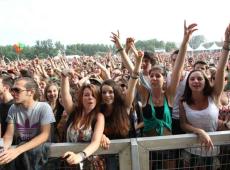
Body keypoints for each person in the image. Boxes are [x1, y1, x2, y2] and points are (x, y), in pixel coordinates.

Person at [179, 23, 230, 169]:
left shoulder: (214, 96)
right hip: (191, 151)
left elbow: (220, 70)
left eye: (200, 78)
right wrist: (199, 131)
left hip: (212, 150)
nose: (196, 81)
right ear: (188, 83)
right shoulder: (184, 101)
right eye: (192, 79)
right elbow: (183, 124)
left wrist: (226, 43)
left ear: (206, 81)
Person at [0, 77, 55, 170]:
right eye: (12, 90)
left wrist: (17, 151)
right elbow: (8, 136)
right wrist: (2, 149)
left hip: (42, 161)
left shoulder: (44, 107)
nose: (13, 93)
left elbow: (44, 135)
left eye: (17, 90)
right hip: (23, 159)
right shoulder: (13, 108)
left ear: (31, 92)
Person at [60, 70, 105, 168]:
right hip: (70, 162)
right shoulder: (74, 112)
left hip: (90, 164)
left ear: (97, 99)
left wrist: (80, 156)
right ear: (81, 98)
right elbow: (65, 95)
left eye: (94, 95)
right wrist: (64, 77)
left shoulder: (99, 117)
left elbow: (96, 142)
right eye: (86, 95)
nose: (90, 98)